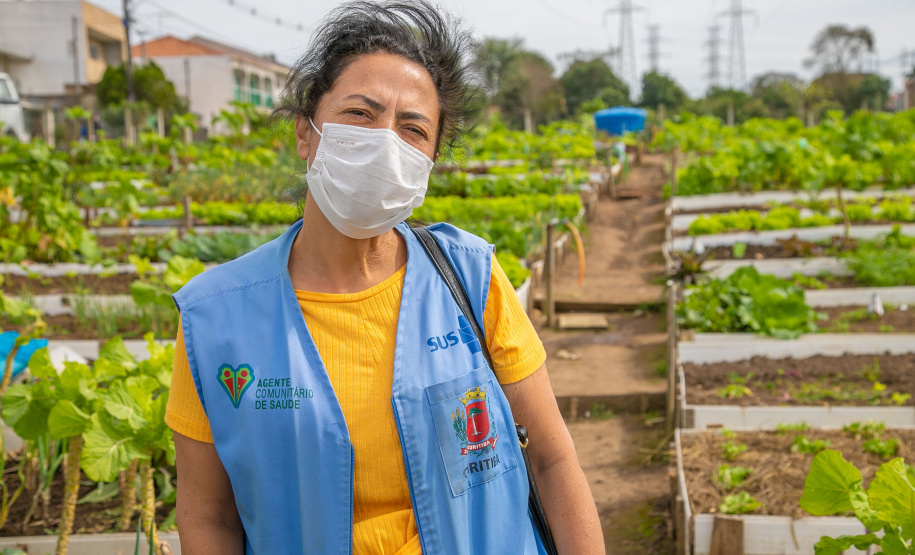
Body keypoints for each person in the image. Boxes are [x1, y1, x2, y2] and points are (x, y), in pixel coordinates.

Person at [165, 1, 604, 553]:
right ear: (306, 133)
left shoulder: (469, 276)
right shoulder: (216, 319)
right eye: (359, 114)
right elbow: (209, 518)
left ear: (430, 160)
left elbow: (552, 457)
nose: (384, 142)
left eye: (413, 129)